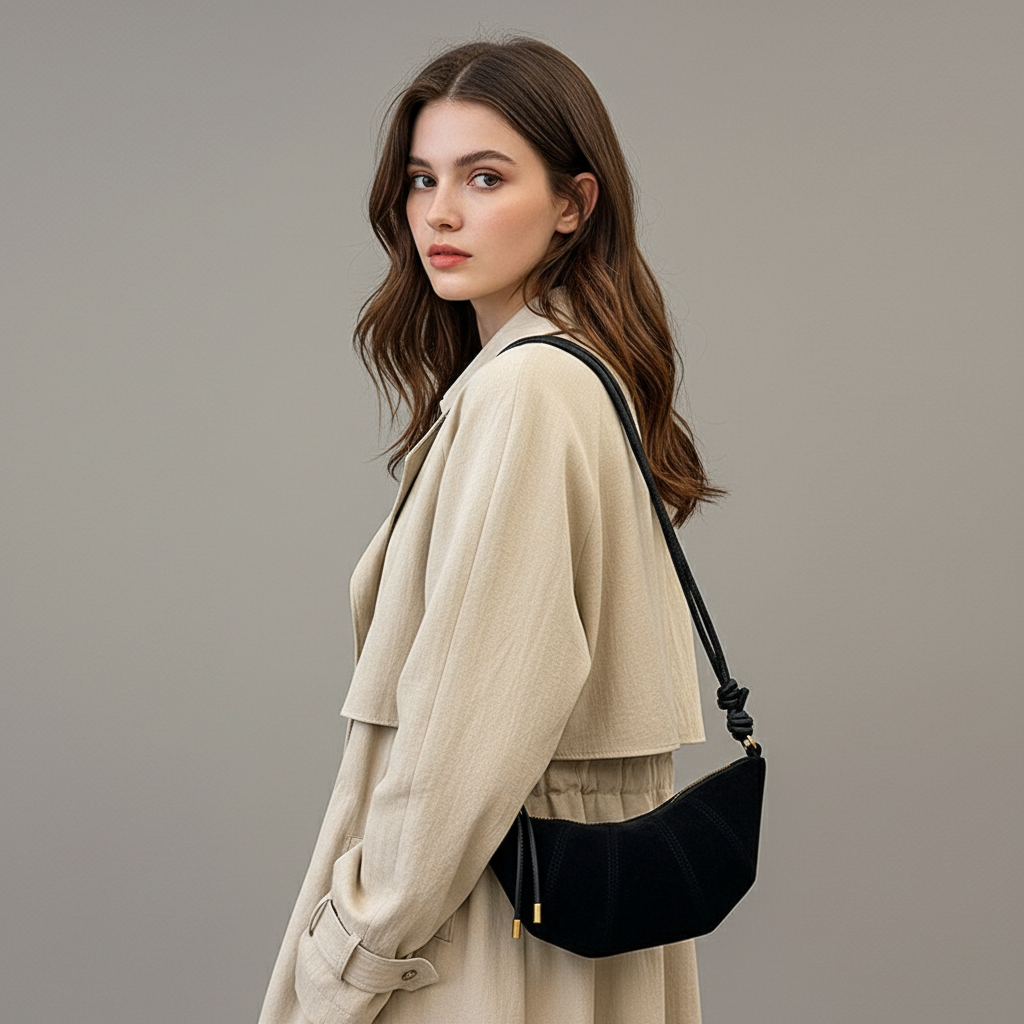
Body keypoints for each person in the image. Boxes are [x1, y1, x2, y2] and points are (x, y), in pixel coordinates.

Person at [257, 35, 724, 1024]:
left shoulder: (523, 391)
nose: (441, 212)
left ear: (572, 203)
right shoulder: (572, 374)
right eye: (423, 178)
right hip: (571, 910)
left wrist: (356, 945)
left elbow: (468, 725)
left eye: (484, 175)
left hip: (483, 926)